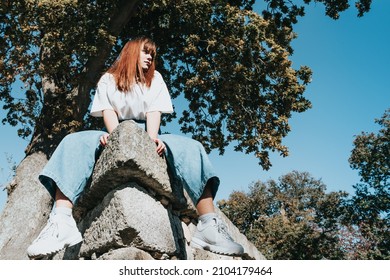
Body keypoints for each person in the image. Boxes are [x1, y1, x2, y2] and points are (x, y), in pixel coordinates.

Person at [27, 37, 244, 259]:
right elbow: (108, 112)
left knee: (193, 148)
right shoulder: (107, 80)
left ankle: (208, 225)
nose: (150, 57)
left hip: (149, 131)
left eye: (153, 54)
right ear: (131, 52)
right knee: (72, 142)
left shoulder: (155, 79)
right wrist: (114, 138)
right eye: (145, 52)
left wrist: (151, 140)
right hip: (114, 129)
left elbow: (154, 112)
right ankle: (61, 220)